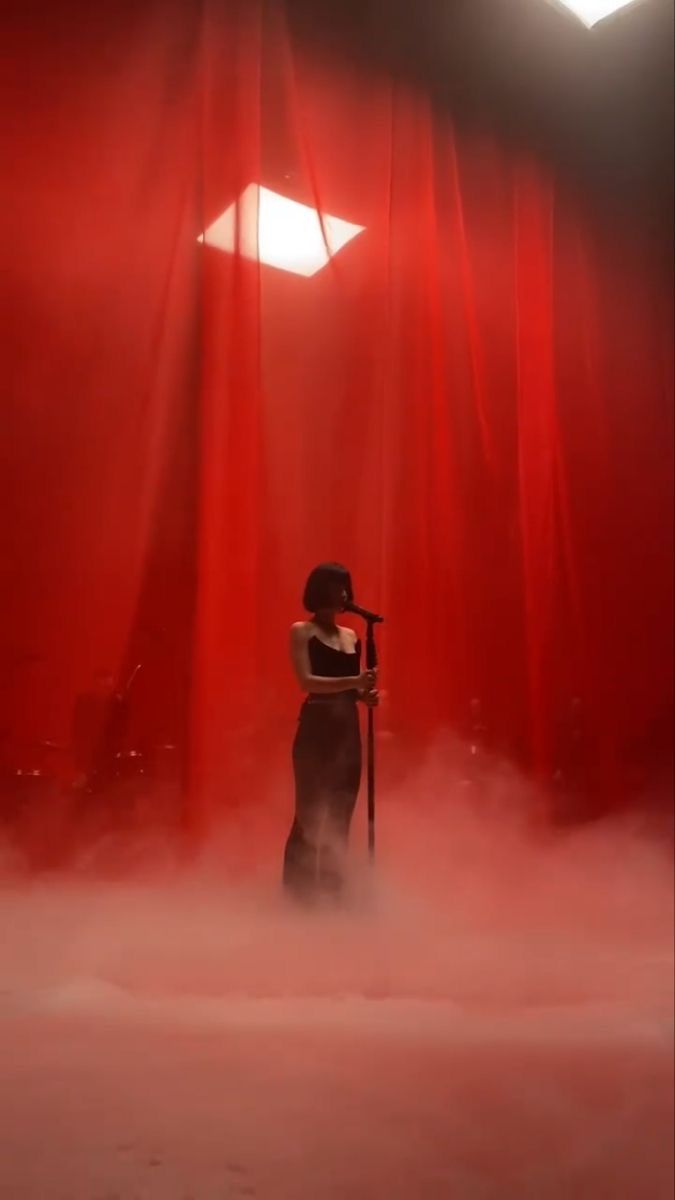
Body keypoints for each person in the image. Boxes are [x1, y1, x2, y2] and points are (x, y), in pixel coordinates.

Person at [283, 562, 378, 902]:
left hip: (346, 730)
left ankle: (333, 895)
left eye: (345, 587)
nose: (343, 594)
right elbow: (306, 682)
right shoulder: (301, 631)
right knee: (309, 816)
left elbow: (352, 692)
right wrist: (354, 682)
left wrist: (365, 695)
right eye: (337, 587)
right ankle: (299, 897)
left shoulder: (352, 636)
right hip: (316, 729)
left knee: (340, 818)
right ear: (320, 590)